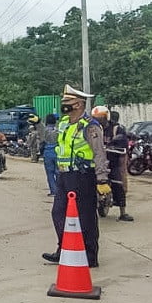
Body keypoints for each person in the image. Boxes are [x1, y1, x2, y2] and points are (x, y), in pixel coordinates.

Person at [42, 85, 108, 268]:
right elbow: (51, 139)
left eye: (67, 102)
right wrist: (37, 125)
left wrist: (102, 179)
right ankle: (63, 250)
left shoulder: (90, 126)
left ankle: (90, 255)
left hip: (83, 176)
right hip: (63, 176)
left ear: (78, 104)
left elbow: (99, 153)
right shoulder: (64, 123)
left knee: (86, 217)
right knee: (58, 213)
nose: (63, 105)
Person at [92, 106, 134, 222]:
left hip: (113, 159)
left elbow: (123, 142)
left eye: (101, 118)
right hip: (97, 160)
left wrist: (113, 146)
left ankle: (123, 212)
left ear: (107, 117)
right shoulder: (92, 128)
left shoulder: (116, 128)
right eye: (96, 118)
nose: (99, 120)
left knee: (118, 183)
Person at [42, 114, 59, 197]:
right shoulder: (58, 130)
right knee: (58, 172)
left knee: (50, 173)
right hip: (57, 152)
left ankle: (53, 191)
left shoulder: (44, 131)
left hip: (47, 153)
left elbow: (41, 142)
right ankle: (60, 191)